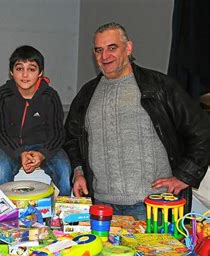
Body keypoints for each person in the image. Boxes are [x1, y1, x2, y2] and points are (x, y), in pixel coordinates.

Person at [64, 22, 210, 220]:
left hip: (152, 206)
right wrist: (79, 172)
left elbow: (201, 130)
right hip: (101, 206)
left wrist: (185, 175)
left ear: (129, 48)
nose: (104, 56)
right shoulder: (87, 94)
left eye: (112, 48)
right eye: (99, 50)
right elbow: (71, 137)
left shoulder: (160, 87)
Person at [0, 45, 72, 195]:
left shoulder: (50, 96)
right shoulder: (2, 95)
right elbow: (0, 133)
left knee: (64, 170)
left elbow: (58, 134)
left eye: (32, 69)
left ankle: (60, 215)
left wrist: (42, 154)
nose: (25, 75)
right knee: (0, 171)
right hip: (10, 146)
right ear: (11, 72)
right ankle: (4, 215)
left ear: (40, 72)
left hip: (45, 145)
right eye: (19, 68)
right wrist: (20, 153)